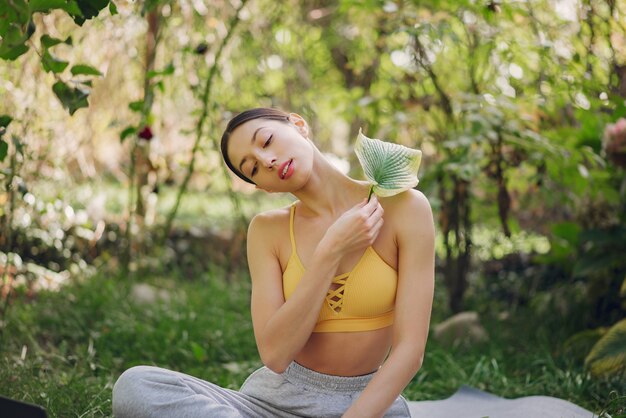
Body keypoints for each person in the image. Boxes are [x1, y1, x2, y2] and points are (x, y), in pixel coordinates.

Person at [112, 108, 436, 418]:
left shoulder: (404, 208)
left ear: (297, 124)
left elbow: (411, 351)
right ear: (263, 187)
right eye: (252, 168)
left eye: (266, 141)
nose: (267, 161)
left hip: (370, 404)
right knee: (136, 386)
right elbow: (276, 355)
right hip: (273, 407)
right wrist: (331, 251)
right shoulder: (267, 231)